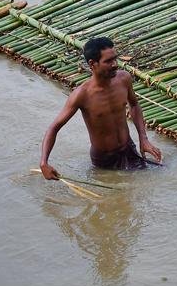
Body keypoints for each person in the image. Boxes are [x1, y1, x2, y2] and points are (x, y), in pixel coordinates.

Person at [40, 37, 162, 179]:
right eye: (108, 61)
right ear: (92, 64)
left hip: (130, 150)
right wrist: (44, 163)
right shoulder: (81, 95)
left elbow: (134, 105)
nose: (115, 64)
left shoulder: (124, 79)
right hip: (105, 162)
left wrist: (143, 138)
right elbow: (54, 128)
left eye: (115, 59)